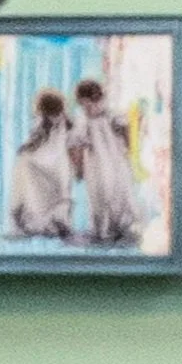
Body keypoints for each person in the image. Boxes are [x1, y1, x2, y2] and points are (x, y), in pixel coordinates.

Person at [69, 76, 140, 245]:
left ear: (95, 99)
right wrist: (78, 168)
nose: (86, 108)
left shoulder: (111, 113)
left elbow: (127, 131)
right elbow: (77, 145)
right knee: (99, 196)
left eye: (87, 103)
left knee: (119, 192)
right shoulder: (84, 120)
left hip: (115, 161)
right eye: (83, 105)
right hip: (96, 165)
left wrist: (130, 150)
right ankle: (103, 230)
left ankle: (124, 227)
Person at [7, 86, 75, 239]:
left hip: (55, 162)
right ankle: (49, 221)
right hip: (56, 163)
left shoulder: (63, 122)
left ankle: (46, 221)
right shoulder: (61, 121)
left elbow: (36, 142)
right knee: (26, 164)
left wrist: (26, 150)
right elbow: (35, 141)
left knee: (25, 164)